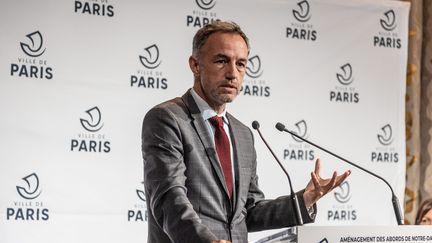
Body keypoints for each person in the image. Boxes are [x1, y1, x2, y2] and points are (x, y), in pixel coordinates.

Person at [141, 20, 351, 243]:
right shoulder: (168, 118)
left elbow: (247, 212)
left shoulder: (243, 134)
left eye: (241, 64)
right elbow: (169, 198)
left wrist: (304, 201)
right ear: (195, 65)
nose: (232, 73)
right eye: (222, 61)